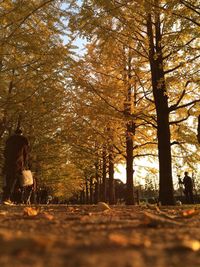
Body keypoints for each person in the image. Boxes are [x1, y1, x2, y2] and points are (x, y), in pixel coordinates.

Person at [2, 128, 29, 205]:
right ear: (21, 133)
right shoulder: (24, 140)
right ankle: (9, 198)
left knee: (8, 180)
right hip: (18, 164)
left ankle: (7, 198)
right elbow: (25, 154)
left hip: (8, 163)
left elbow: (5, 152)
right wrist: (25, 164)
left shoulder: (9, 140)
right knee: (15, 181)